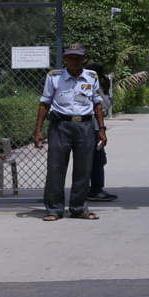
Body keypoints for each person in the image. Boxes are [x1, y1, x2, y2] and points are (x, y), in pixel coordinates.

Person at [32, 43, 107, 220]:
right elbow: (45, 103)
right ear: (65, 59)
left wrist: (102, 129)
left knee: (83, 169)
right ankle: (54, 209)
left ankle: (78, 208)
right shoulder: (54, 77)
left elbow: (97, 104)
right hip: (60, 126)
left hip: (85, 126)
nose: (74, 61)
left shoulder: (91, 77)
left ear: (84, 59)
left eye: (78, 57)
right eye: (70, 57)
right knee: (55, 168)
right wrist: (38, 131)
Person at [85, 61, 118, 202]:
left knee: (88, 160)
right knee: (98, 160)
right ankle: (96, 190)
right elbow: (105, 104)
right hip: (92, 128)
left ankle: (85, 188)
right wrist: (106, 92)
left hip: (87, 127)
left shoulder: (84, 83)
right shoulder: (94, 86)